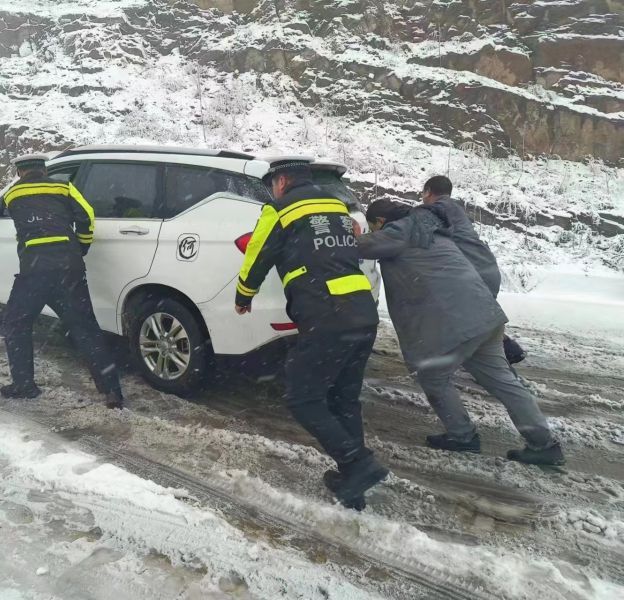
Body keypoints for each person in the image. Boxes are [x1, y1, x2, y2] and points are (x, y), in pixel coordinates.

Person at [356, 199, 564, 465]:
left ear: (381, 222)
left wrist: (339, 234)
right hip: (484, 314)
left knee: (432, 375)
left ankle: (462, 436)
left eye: (373, 227)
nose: (374, 232)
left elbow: (362, 247)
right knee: (503, 382)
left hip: (456, 321)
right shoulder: (431, 230)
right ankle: (543, 444)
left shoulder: (401, 231)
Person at [234, 159, 388, 510]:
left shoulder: (280, 210)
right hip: (361, 310)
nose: (272, 189)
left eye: (273, 183)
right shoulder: (337, 205)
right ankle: (354, 485)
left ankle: (358, 463)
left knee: (302, 397)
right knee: (344, 398)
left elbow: (258, 253)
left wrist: (244, 295)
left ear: (283, 180)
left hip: (326, 313)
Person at [0, 154, 124, 409]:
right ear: (43, 170)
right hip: (68, 269)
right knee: (86, 328)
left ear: (21, 172)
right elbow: (87, 216)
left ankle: (24, 385)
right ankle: (112, 391)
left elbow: (24, 226)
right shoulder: (64, 187)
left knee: (16, 324)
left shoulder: (12, 195)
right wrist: (81, 246)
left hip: (33, 273)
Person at [419, 175, 526, 364]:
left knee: (468, 323)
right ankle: (508, 351)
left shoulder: (438, 208)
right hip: (487, 267)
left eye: (423, 193)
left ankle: (500, 363)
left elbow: (418, 224)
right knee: (481, 321)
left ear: (428, 191)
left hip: (474, 273)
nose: (422, 198)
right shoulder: (455, 209)